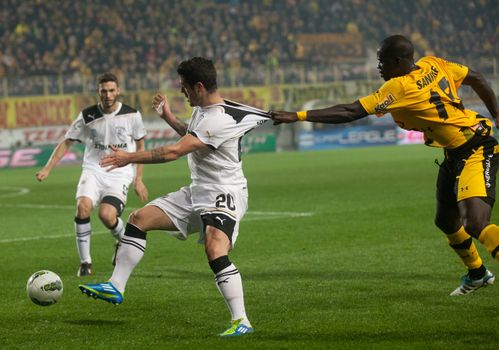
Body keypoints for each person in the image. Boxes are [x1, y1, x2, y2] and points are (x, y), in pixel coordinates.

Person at [271, 35, 499, 296]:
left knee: (475, 223)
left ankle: (480, 270)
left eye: (382, 62)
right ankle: (478, 273)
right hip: (454, 152)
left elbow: (351, 111)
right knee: (446, 221)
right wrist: (497, 112)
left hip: (475, 148)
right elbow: (477, 77)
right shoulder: (433, 63)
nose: (378, 67)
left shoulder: (399, 87)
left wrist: (297, 116)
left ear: (398, 61)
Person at [79, 57, 270, 337]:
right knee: (138, 218)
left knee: (216, 248)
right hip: (198, 190)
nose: (182, 92)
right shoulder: (204, 110)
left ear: (200, 87)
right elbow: (192, 137)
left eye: (184, 87)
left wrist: (127, 158)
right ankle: (115, 286)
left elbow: (173, 152)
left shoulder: (217, 117)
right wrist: (169, 117)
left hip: (223, 191)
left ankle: (241, 320)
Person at [36, 72, 148, 277]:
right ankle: (86, 262)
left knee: (106, 215)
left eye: (111, 90)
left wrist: (138, 179)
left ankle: (122, 240)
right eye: (104, 91)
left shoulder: (132, 115)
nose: (108, 94)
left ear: (118, 91)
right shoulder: (87, 115)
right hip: (93, 169)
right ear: (98, 91)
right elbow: (67, 141)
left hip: (120, 172)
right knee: (83, 207)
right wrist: (47, 167)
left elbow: (140, 145)